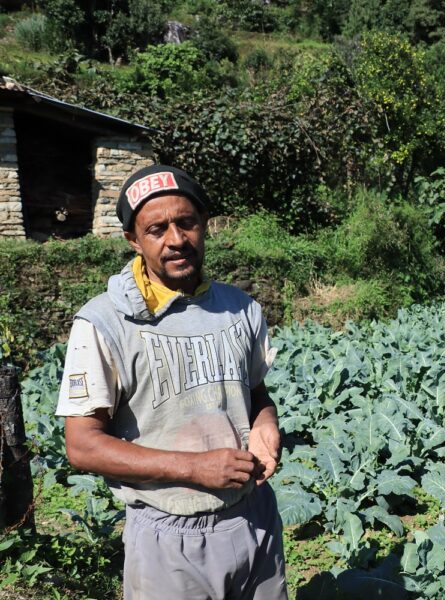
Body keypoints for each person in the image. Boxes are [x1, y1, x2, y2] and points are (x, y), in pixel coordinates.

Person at [55, 164, 288, 599]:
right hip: (170, 537)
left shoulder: (240, 308)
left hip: (256, 520)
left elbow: (256, 392)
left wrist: (265, 422)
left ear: (204, 226)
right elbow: (82, 446)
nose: (176, 240)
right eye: (157, 229)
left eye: (186, 223)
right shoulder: (104, 323)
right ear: (132, 239)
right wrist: (193, 468)